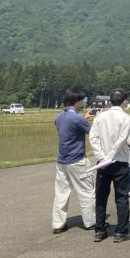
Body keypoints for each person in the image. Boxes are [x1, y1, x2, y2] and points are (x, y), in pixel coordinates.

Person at [89, 89, 130, 243]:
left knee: (101, 196)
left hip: (102, 164)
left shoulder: (100, 117)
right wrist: (109, 157)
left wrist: (101, 157)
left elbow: (93, 138)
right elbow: (122, 140)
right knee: (121, 197)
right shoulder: (127, 118)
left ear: (110, 101)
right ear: (124, 101)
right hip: (119, 162)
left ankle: (99, 230)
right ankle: (120, 231)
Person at [51, 87, 97, 234]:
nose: (82, 103)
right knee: (86, 192)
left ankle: (58, 224)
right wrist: (98, 118)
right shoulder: (77, 119)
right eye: (81, 101)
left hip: (62, 161)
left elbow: (71, 127)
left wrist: (84, 117)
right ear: (77, 101)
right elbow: (92, 132)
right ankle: (90, 222)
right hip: (77, 160)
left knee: (61, 193)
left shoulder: (59, 117)